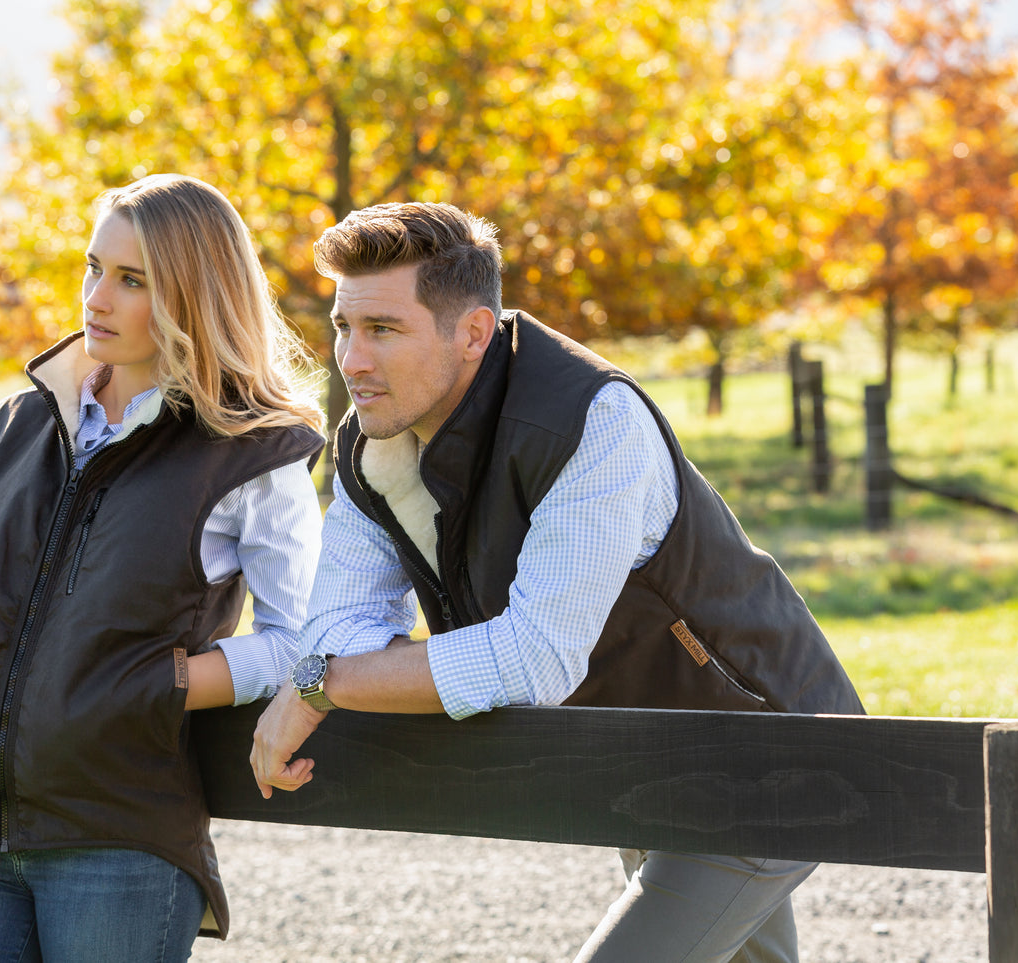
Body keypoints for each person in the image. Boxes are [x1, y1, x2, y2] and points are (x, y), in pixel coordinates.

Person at [250, 201, 864, 962]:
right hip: (638, 758)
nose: (350, 360)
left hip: (761, 753)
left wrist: (322, 684)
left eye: (382, 329)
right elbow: (337, 624)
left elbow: (531, 660)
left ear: (472, 332)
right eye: (343, 326)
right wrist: (332, 670)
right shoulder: (373, 441)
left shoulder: (590, 421)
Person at [0, 174, 326, 963]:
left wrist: (168, 683)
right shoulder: (11, 428)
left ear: (194, 294)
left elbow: (302, 639)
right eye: (94, 268)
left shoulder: (247, 454)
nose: (96, 297)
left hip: (116, 838)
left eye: (133, 281)